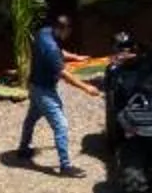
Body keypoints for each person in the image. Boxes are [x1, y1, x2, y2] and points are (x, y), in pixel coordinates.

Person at [15, 12, 102, 175]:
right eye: (69, 31)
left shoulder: (44, 32)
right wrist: (86, 87)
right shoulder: (51, 49)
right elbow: (65, 74)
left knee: (32, 117)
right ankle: (65, 166)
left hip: (34, 85)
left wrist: (75, 57)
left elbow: (59, 52)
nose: (69, 34)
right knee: (61, 125)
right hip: (44, 90)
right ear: (63, 29)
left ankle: (23, 148)